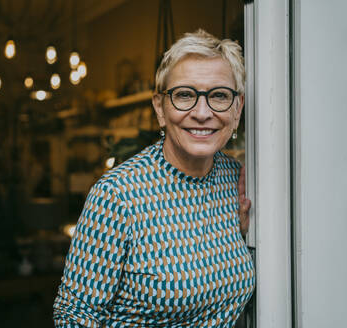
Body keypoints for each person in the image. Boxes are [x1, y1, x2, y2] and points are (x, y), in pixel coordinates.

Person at [53, 29, 255, 327]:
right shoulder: (116, 196)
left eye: (219, 96)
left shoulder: (236, 179)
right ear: (160, 108)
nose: (202, 112)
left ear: (236, 110)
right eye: (185, 95)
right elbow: (73, 317)